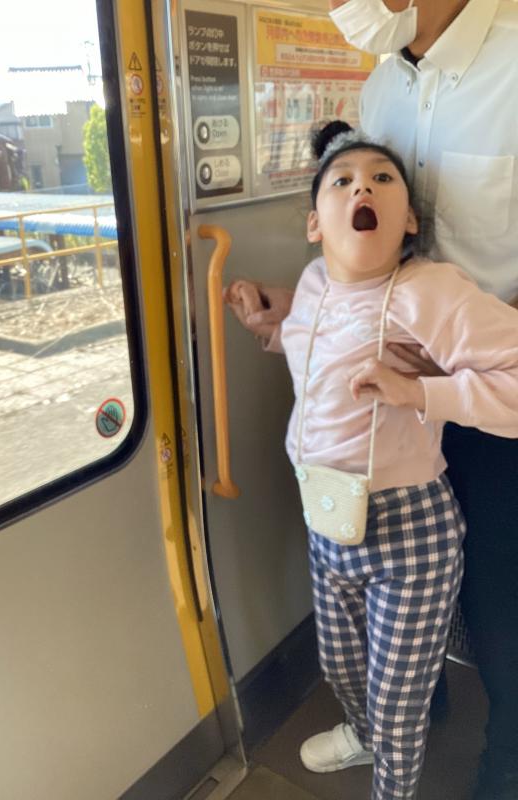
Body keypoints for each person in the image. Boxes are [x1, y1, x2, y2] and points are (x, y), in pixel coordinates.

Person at [232, 3, 518, 797]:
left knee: (496, 596)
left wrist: (450, 362)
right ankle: (404, 721)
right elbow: (365, 249)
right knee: (387, 627)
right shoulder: (384, 85)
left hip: (486, 374)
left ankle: (507, 756)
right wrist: (301, 311)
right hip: (385, 410)